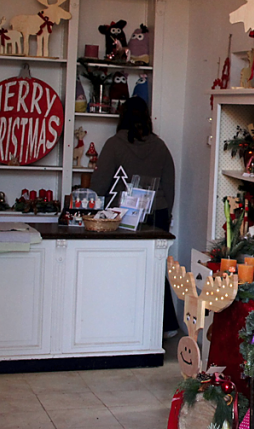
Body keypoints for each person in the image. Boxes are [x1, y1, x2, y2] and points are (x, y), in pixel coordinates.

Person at [90, 97, 179, 337]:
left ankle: (127, 326)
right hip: (157, 213)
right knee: (156, 270)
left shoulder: (114, 145)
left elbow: (99, 186)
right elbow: (169, 186)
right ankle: (167, 326)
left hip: (124, 214)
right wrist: (166, 215)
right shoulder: (161, 147)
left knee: (124, 269)